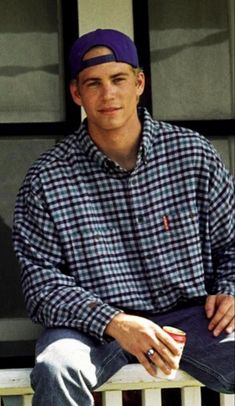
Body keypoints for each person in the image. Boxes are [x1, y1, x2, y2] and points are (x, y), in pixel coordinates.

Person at [13, 28, 235, 405]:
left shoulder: (192, 155)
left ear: (139, 82)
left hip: (191, 318)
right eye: (93, 83)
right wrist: (114, 321)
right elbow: (40, 283)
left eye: (118, 79)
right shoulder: (47, 178)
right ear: (76, 93)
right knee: (56, 367)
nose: (108, 94)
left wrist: (230, 290)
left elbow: (230, 243)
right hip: (93, 328)